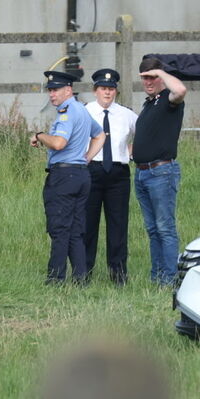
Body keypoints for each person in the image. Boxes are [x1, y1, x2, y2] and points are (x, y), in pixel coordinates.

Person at [31, 70, 105, 284]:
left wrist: (38, 135)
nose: (51, 95)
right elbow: (100, 135)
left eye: (55, 90)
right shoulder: (81, 109)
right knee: (75, 229)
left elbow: (58, 143)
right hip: (81, 175)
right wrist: (86, 158)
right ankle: (80, 279)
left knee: (59, 228)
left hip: (64, 176)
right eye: (49, 91)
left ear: (68, 90)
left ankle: (56, 279)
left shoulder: (66, 113)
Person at [132, 56, 187, 286]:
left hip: (161, 172)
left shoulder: (168, 100)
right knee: (152, 229)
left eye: (152, 77)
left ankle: (171, 279)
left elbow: (181, 89)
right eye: (144, 77)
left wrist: (161, 72)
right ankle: (158, 277)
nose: (148, 81)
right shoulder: (149, 104)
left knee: (165, 228)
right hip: (143, 173)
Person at [83, 68, 137, 284]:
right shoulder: (84, 112)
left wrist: (132, 151)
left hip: (118, 174)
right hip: (91, 171)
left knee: (118, 224)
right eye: (103, 89)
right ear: (95, 90)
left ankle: (118, 274)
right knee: (87, 224)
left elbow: (145, 131)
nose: (107, 93)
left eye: (111, 89)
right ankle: (84, 272)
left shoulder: (126, 114)